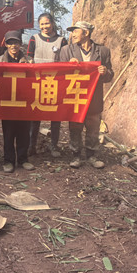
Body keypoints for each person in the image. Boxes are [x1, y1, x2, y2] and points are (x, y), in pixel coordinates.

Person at [56, 21, 114, 169]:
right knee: (75, 127)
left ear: (86, 33)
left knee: (93, 128)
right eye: (72, 31)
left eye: (76, 31)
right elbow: (59, 74)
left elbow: (110, 75)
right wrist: (68, 66)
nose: (73, 34)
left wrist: (105, 72)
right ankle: (76, 155)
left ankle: (91, 155)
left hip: (93, 98)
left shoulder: (103, 51)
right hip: (75, 96)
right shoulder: (66, 51)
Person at [26, 13, 68, 158]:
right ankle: (31, 146)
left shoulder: (62, 41)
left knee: (55, 117)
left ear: (52, 23)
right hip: (37, 84)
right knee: (34, 117)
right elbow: (29, 58)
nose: (45, 27)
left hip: (55, 84)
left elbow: (65, 61)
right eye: (42, 24)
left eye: (47, 23)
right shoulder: (34, 39)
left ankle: (54, 146)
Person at [0, 31, 35, 172]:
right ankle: (8, 160)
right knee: (8, 132)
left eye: (16, 42)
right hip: (7, 102)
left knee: (24, 132)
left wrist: (29, 67)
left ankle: (23, 159)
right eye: (10, 43)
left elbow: (35, 80)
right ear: (6, 45)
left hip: (24, 102)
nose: (13, 46)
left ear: (20, 44)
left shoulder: (29, 60)